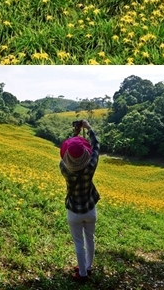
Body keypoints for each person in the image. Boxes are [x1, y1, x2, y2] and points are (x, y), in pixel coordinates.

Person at [60, 119, 100, 283]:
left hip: (74, 212)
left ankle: (82, 273)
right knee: (89, 238)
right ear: (85, 154)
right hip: (90, 209)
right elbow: (96, 145)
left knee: (78, 242)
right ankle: (88, 268)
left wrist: (75, 134)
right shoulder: (90, 166)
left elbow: (68, 150)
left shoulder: (64, 167)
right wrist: (88, 128)